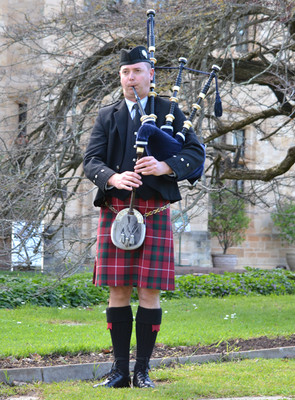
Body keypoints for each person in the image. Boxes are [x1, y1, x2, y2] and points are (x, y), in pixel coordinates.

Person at [83, 45, 205, 389]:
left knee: (150, 293)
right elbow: (90, 161)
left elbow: (196, 153)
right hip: (116, 211)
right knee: (118, 292)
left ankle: (143, 372)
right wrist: (113, 178)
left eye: (137, 71)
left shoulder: (170, 111)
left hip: (155, 211)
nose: (131, 78)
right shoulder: (109, 115)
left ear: (151, 75)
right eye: (125, 72)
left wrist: (165, 165)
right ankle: (120, 371)